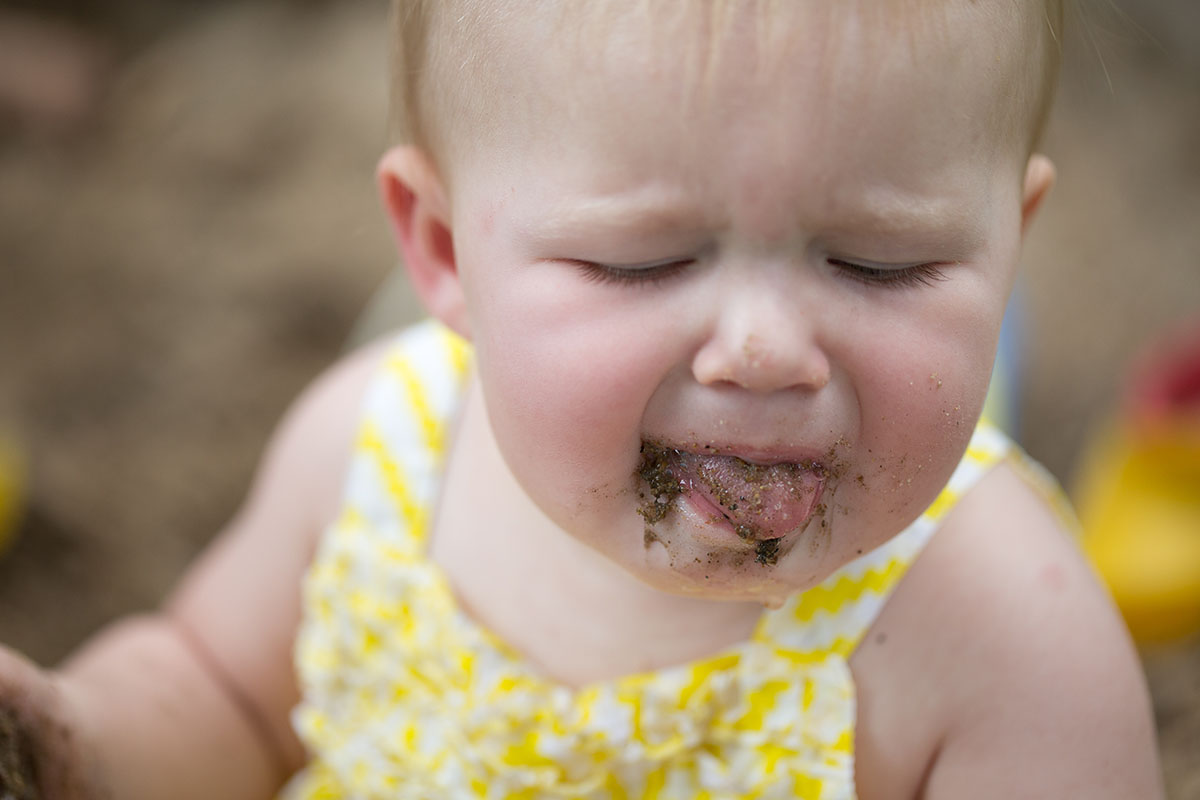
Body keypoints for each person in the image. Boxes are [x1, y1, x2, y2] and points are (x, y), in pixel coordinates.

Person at [0, 1, 1166, 797]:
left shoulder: (1012, 632)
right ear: (446, 249)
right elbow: (223, 692)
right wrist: (77, 741)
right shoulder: (376, 452)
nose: (762, 352)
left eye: (878, 262)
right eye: (642, 261)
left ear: (1009, 243)